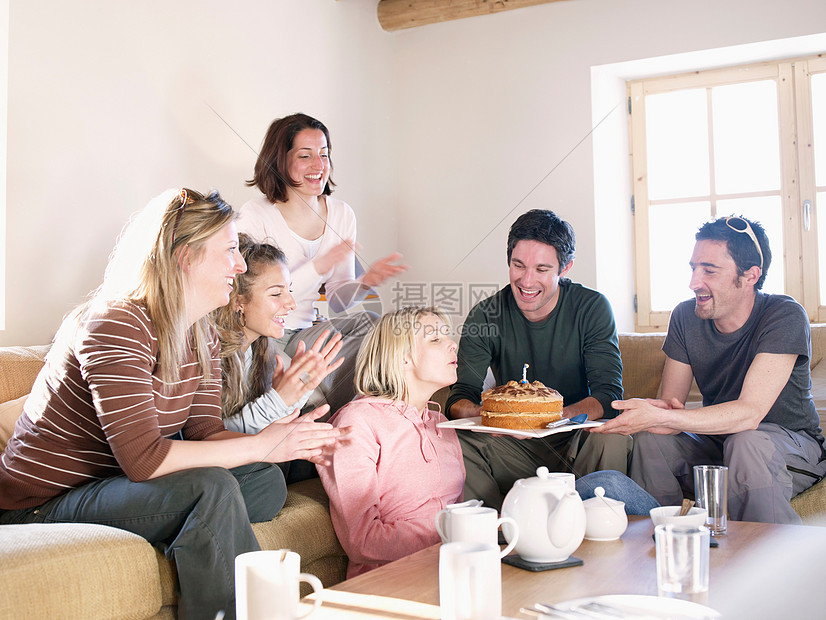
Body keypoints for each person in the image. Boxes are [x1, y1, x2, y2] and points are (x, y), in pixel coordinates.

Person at [0, 188, 346, 619]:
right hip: (41, 504)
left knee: (257, 478)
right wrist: (265, 444)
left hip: (114, 487)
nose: (239, 266)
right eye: (229, 251)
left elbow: (208, 436)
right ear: (185, 256)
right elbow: (143, 460)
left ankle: (192, 530)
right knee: (211, 488)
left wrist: (280, 440)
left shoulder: (200, 334)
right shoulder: (116, 322)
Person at [593, 216, 826, 524]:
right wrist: (649, 413)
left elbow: (749, 414)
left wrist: (667, 415)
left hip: (788, 444)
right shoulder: (685, 317)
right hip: (720, 440)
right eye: (693, 268)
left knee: (745, 441)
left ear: (750, 276)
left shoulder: (783, 315)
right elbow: (671, 405)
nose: (694, 282)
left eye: (709, 270)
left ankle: (772, 566)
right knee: (651, 440)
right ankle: (669, 540)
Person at [446, 209, 630, 511]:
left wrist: (551, 419)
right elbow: (460, 396)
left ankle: (596, 533)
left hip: (575, 439)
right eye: (518, 265)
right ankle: (496, 536)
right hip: (510, 445)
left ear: (565, 267)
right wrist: (490, 416)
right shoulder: (486, 314)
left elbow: (609, 395)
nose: (527, 281)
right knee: (458, 441)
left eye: (542, 269)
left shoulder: (592, 308)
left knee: (612, 438)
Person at [238, 112, 407, 416]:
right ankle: (318, 405)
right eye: (305, 156)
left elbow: (338, 301)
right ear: (280, 160)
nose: (319, 165)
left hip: (306, 331)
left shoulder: (342, 215)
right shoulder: (255, 215)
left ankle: (342, 412)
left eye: (324, 155)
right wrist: (318, 266)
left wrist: (365, 282)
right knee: (304, 395)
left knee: (372, 325)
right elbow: (254, 295)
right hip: (264, 336)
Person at [317, 307, 465, 578]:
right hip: (391, 582)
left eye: (447, 336)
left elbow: (458, 507)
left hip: (454, 570)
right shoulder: (356, 421)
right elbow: (363, 540)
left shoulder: (439, 422)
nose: (452, 344)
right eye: (435, 339)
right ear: (403, 358)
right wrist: (454, 532)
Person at [214, 233, 345, 481]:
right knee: (271, 476)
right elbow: (210, 441)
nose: (291, 303)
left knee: (327, 449)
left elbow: (269, 427)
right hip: (220, 468)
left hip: (252, 457)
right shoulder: (210, 354)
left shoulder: (261, 351)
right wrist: (280, 399)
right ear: (238, 301)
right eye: (276, 294)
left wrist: (299, 390)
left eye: (289, 291)